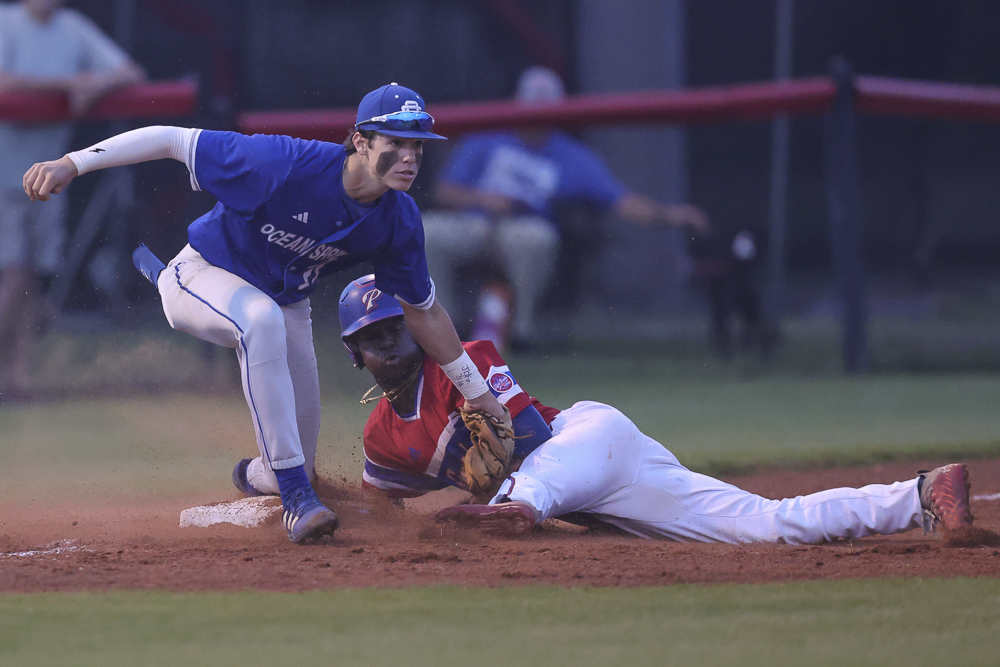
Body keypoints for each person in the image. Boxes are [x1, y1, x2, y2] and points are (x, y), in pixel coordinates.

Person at [22, 83, 507, 544]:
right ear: (359, 141)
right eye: (396, 143)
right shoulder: (286, 163)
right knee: (261, 322)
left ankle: (265, 478)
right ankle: (298, 500)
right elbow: (171, 139)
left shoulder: (397, 217)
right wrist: (73, 162)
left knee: (292, 457)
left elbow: (423, 313)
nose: (409, 158)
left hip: (284, 303)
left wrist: (479, 394)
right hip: (199, 276)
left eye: (418, 147)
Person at [339, 273, 974, 543]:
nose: (389, 347)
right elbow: (375, 510)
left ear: (418, 327)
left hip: (584, 442)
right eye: (372, 340)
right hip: (595, 494)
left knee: (510, 511)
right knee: (762, 528)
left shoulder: (463, 359)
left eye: (396, 329)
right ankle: (918, 496)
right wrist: (293, 492)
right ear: (355, 354)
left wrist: (509, 500)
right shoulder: (381, 436)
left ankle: (515, 513)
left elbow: (529, 436)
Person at [421, 66, 710, 350]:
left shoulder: (572, 156)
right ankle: (444, 329)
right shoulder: (487, 136)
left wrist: (672, 215)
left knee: (536, 239)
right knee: (427, 230)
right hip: (475, 221)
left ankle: (521, 333)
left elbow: (621, 202)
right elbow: (445, 191)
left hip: (524, 228)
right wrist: (483, 199)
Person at [0, 0, 145, 396]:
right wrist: (69, 83)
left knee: (32, 282)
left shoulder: (72, 26)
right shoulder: (5, 21)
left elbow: (131, 71)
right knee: (13, 278)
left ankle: (17, 377)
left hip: (47, 176)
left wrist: (95, 83)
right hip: (2, 174)